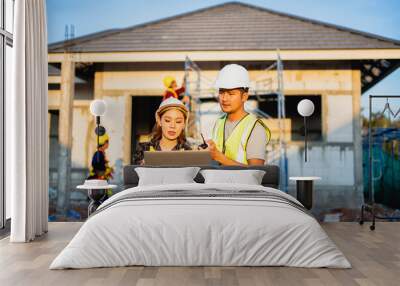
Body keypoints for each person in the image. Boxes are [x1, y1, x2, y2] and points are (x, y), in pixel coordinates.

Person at [206, 64, 271, 166]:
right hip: (217, 181)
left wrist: (220, 158)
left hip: (242, 182)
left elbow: (257, 172)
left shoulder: (254, 128)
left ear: (244, 96)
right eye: (221, 92)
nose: (224, 98)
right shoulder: (219, 123)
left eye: (231, 94)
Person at [134, 97, 192, 165]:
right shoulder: (144, 149)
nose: (172, 126)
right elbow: (134, 174)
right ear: (159, 120)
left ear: (184, 124)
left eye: (178, 122)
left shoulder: (188, 153)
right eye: (167, 120)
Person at [88, 132, 114, 198]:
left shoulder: (101, 153)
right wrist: (104, 172)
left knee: (105, 196)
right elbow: (95, 166)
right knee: (102, 198)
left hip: (102, 180)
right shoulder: (98, 154)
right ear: (104, 143)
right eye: (107, 142)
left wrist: (108, 170)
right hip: (99, 181)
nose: (108, 144)